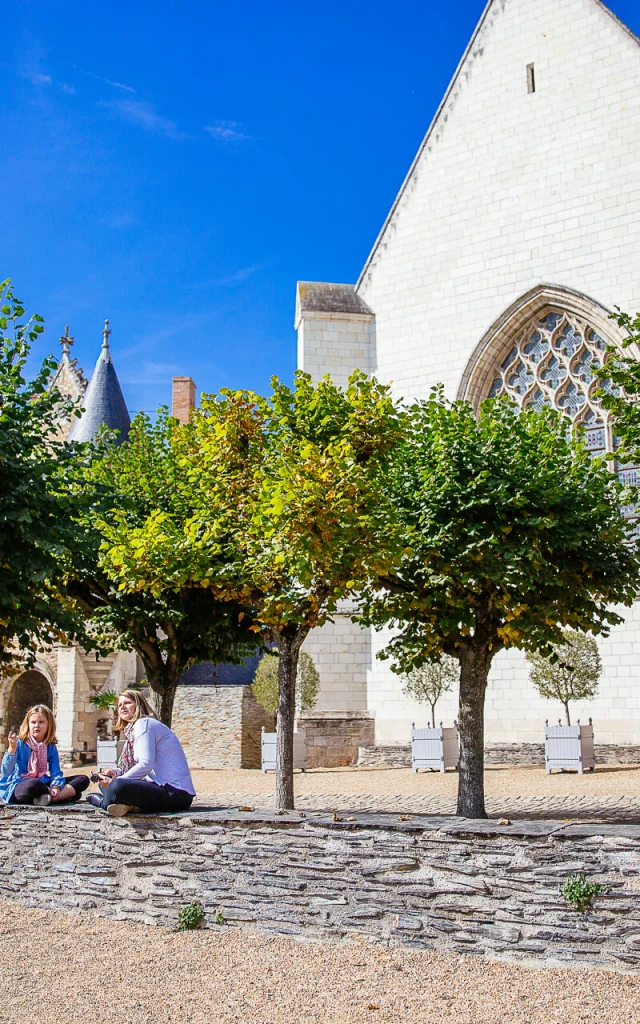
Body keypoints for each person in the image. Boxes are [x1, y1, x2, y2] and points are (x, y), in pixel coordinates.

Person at [86, 689, 195, 817]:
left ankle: (104, 803)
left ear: (138, 705)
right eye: (120, 705)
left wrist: (117, 781)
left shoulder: (144, 724)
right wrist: (117, 772)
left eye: (127, 703)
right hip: (158, 787)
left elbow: (145, 764)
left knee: (116, 786)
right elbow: (137, 766)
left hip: (175, 793)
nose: (123, 707)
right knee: (110, 781)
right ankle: (126, 805)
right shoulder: (134, 730)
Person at [0, 704, 90, 806]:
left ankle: (48, 798)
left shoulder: (50, 746)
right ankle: (62, 796)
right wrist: (12, 749)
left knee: (83, 779)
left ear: (49, 725)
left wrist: (56, 787)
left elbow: (56, 772)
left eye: (41, 722)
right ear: (28, 724)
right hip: (19, 785)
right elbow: (6, 772)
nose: (36, 726)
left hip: (43, 782)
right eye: (33, 722)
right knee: (33, 784)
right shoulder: (19, 743)